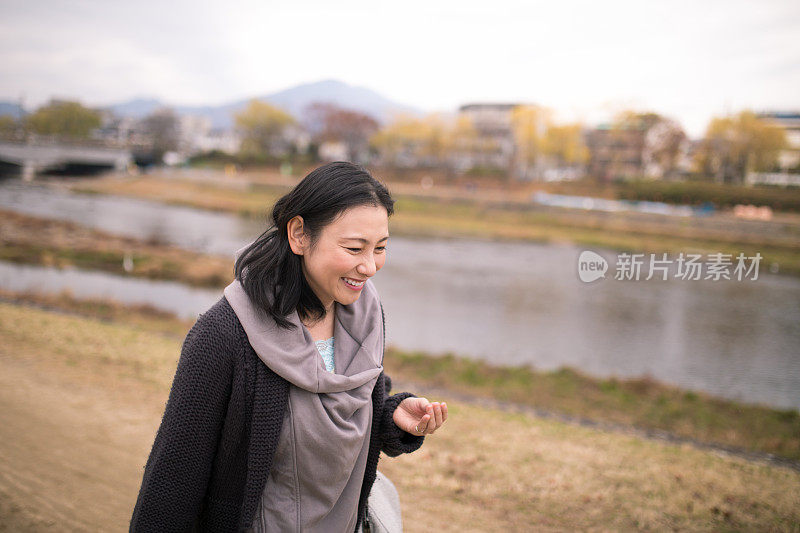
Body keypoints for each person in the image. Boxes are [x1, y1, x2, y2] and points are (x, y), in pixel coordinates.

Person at [130, 161, 447, 532]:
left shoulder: (364, 314)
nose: (370, 266)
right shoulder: (223, 336)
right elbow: (173, 482)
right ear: (298, 234)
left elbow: (344, 408)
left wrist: (393, 416)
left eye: (380, 248)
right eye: (355, 248)